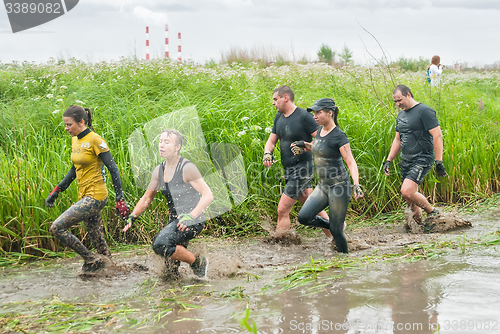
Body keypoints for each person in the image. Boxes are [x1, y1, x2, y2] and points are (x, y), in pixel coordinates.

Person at [45, 105, 130, 273]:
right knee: (99, 243)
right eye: (65, 124)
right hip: (84, 195)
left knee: (57, 228)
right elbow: (74, 169)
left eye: (69, 124)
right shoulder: (75, 139)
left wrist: (120, 198)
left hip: (96, 196)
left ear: (81, 121)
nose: (66, 128)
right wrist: (57, 190)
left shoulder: (95, 140)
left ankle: (90, 260)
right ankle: (113, 272)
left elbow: (113, 168)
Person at [122, 129, 213, 279]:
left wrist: (191, 216)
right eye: (160, 142)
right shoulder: (159, 170)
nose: (161, 146)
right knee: (169, 274)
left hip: (192, 219)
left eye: (167, 142)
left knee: (161, 244)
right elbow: (147, 198)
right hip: (175, 221)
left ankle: (197, 262)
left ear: (177, 147)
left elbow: (208, 195)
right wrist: (133, 216)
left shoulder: (187, 168)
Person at [294, 98, 363, 254]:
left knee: (337, 232)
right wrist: (305, 145)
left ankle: (344, 262)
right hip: (323, 186)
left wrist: (356, 183)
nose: (315, 116)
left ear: (330, 113)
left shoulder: (339, 136)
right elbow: (320, 148)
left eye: (319, 113)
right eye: (314, 113)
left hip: (338, 187)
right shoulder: (320, 130)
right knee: (304, 218)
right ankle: (334, 225)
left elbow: (351, 162)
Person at [263, 85, 331, 238]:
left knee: (282, 210)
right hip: (289, 170)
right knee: (312, 205)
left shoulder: (304, 117)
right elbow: (271, 140)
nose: (273, 103)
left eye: (275, 99)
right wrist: (268, 153)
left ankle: (282, 246)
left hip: (302, 169)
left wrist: (306, 147)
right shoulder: (279, 117)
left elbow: (323, 143)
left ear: (285, 98)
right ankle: (336, 234)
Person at [383, 85, 447, 224]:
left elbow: (437, 136)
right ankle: (418, 227)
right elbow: (397, 139)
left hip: (422, 157)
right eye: (395, 102)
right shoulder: (401, 115)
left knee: (406, 191)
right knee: (409, 198)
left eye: (400, 100)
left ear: (409, 95)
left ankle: (432, 212)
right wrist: (388, 159)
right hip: (406, 159)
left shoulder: (424, 111)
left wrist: (439, 161)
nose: (398, 104)